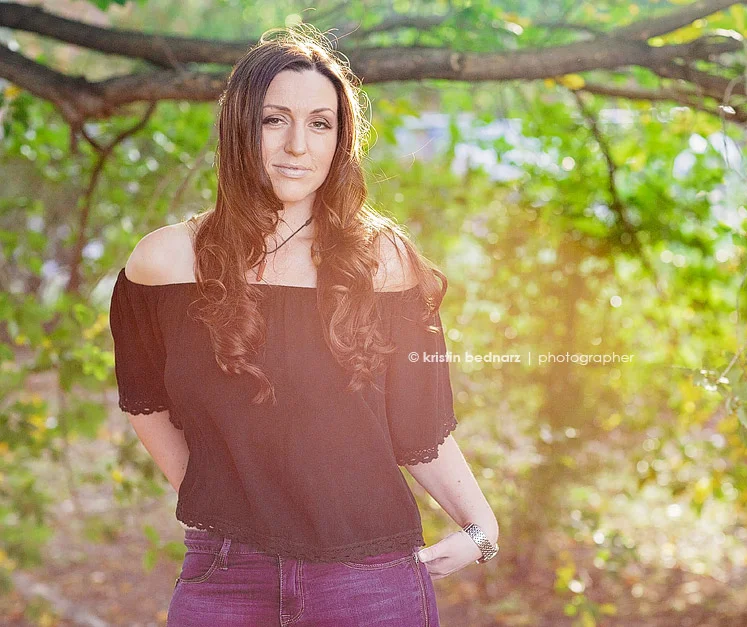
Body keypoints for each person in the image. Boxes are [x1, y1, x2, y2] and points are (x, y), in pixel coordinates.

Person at [108, 25, 499, 627]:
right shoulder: (164, 264)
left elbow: (418, 429)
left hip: (370, 581)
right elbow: (146, 402)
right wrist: (229, 501)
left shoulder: (384, 263)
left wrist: (480, 526)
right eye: (274, 120)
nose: (297, 145)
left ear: (342, 140)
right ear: (238, 127)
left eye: (320, 124)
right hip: (225, 577)